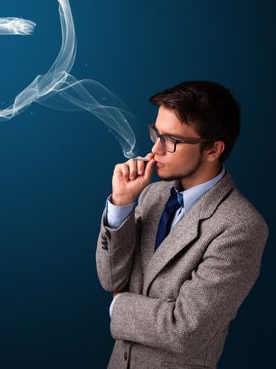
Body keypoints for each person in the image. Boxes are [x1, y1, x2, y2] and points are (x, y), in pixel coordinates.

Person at [95, 80, 269, 369]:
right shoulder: (152, 194)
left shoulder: (241, 227)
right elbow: (111, 279)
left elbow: (186, 329)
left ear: (213, 150)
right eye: (156, 134)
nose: (155, 149)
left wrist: (118, 305)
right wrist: (122, 205)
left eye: (171, 140)